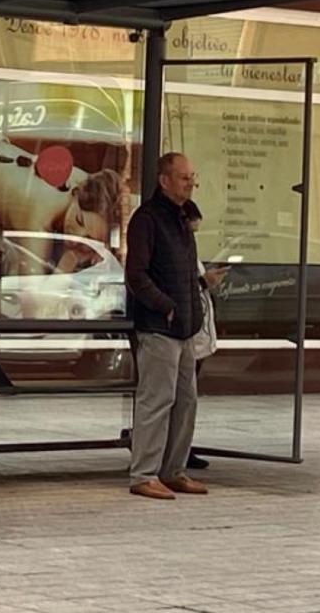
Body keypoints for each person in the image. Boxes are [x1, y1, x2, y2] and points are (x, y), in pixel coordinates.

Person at [124, 152, 208, 500]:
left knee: (186, 401)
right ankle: (144, 473)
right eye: (185, 177)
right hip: (159, 327)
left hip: (186, 327)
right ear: (164, 180)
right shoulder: (147, 219)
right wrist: (166, 306)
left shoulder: (181, 219)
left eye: (193, 177)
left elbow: (186, 272)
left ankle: (173, 470)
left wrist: (197, 301)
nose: (191, 183)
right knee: (156, 400)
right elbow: (136, 275)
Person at [0, 139, 123, 272]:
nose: (76, 238)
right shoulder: (40, 210)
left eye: (88, 238)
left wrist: (100, 247)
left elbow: (107, 199)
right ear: (77, 193)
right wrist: (69, 261)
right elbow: (32, 298)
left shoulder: (83, 181)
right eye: (79, 220)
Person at [183, 199, 223, 471]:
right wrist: (203, 282)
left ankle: (183, 448)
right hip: (185, 335)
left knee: (188, 399)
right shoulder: (173, 250)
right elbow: (180, 286)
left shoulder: (188, 251)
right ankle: (176, 451)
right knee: (181, 398)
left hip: (198, 335)